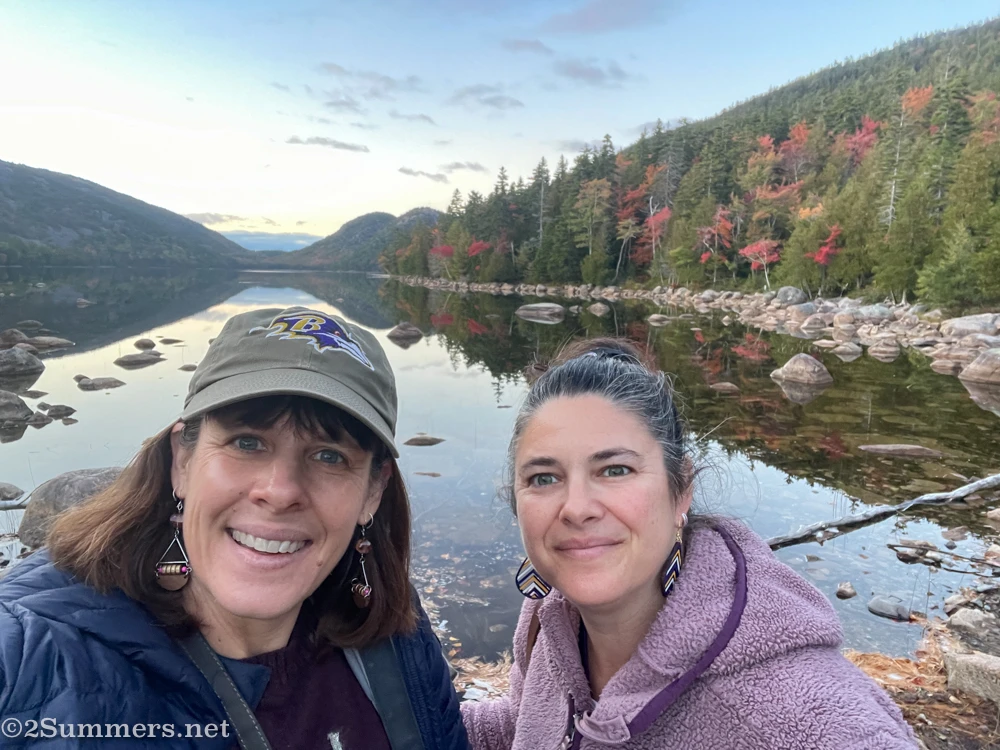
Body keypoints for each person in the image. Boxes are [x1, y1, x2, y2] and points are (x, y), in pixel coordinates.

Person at [0, 306, 470, 750]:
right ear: (182, 460)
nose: (280, 490)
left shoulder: (391, 628)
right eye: (247, 442)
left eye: (330, 455)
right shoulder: (31, 653)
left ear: (373, 491)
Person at [462, 338, 918, 750]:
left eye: (615, 469)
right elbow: (524, 723)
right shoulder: (551, 619)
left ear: (680, 490)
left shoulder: (799, 714)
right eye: (544, 477)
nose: (577, 507)